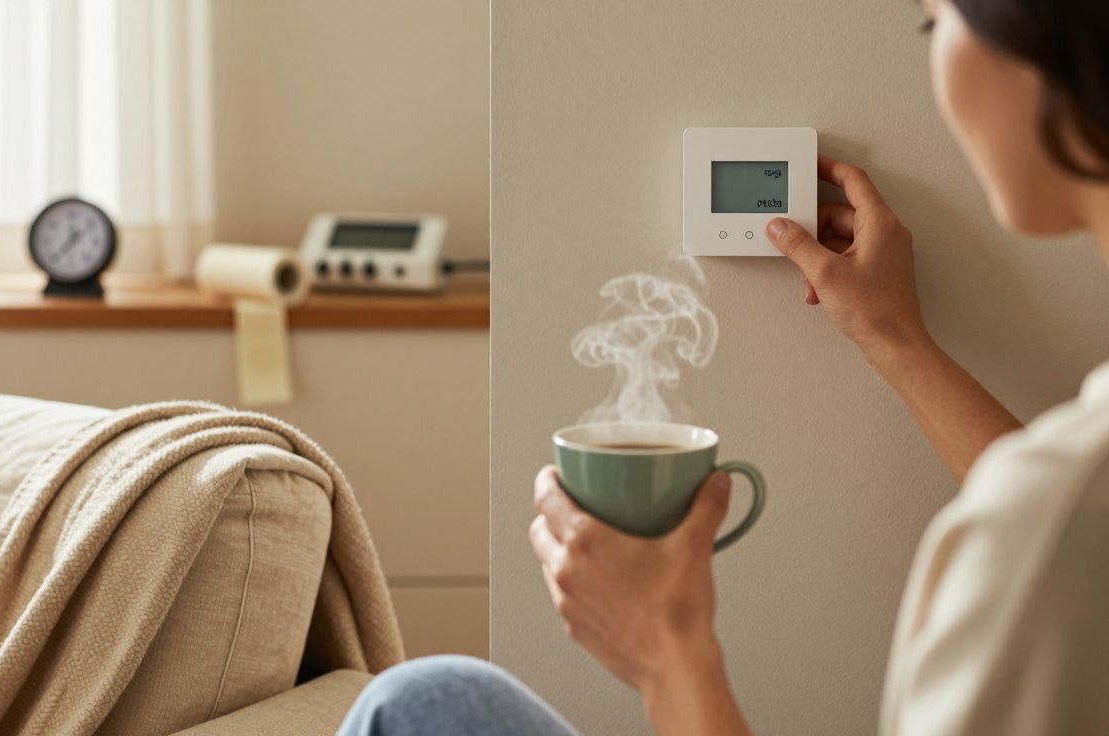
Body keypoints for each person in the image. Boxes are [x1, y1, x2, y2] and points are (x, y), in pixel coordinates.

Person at [338, 0, 1109, 732]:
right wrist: (893, 336)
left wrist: (668, 654)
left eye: (933, 20)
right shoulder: (1059, 508)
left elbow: (1060, 520)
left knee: (417, 703)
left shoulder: (1048, 521)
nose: (937, 54)